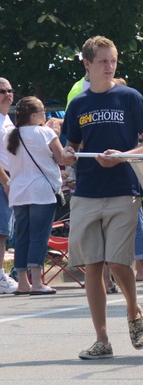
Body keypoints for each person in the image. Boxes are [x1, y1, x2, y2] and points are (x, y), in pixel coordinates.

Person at [63, 35, 143, 360]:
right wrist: (67, 153)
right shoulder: (78, 104)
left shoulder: (129, 97)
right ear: (87, 64)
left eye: (113, 60)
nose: (109, 66)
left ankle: (133, 309)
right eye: (103, 61)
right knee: (92, 265)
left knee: (119, 262)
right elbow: (70, 146)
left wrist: (124, 155)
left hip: (123, 189)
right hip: (87, 193)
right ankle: (101, 338)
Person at [5, 96, 64, 294]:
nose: (45, 113)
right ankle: (37, 281)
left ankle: (23, 281)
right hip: (41, 191)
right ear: (33, 115)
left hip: (19, 191)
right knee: (39, 236)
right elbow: (62, 158)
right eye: (42, 110)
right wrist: (56, 133)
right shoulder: (45, 133)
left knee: (22, 236)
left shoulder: (10, 134)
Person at [0, 77, 17, 293]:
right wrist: (6, 181)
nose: (7, 94)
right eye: (2, 91)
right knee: (1, 231)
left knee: (4, 231)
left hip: (9, 178)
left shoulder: (7, 119)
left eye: (10, 90)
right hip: (3, 179)